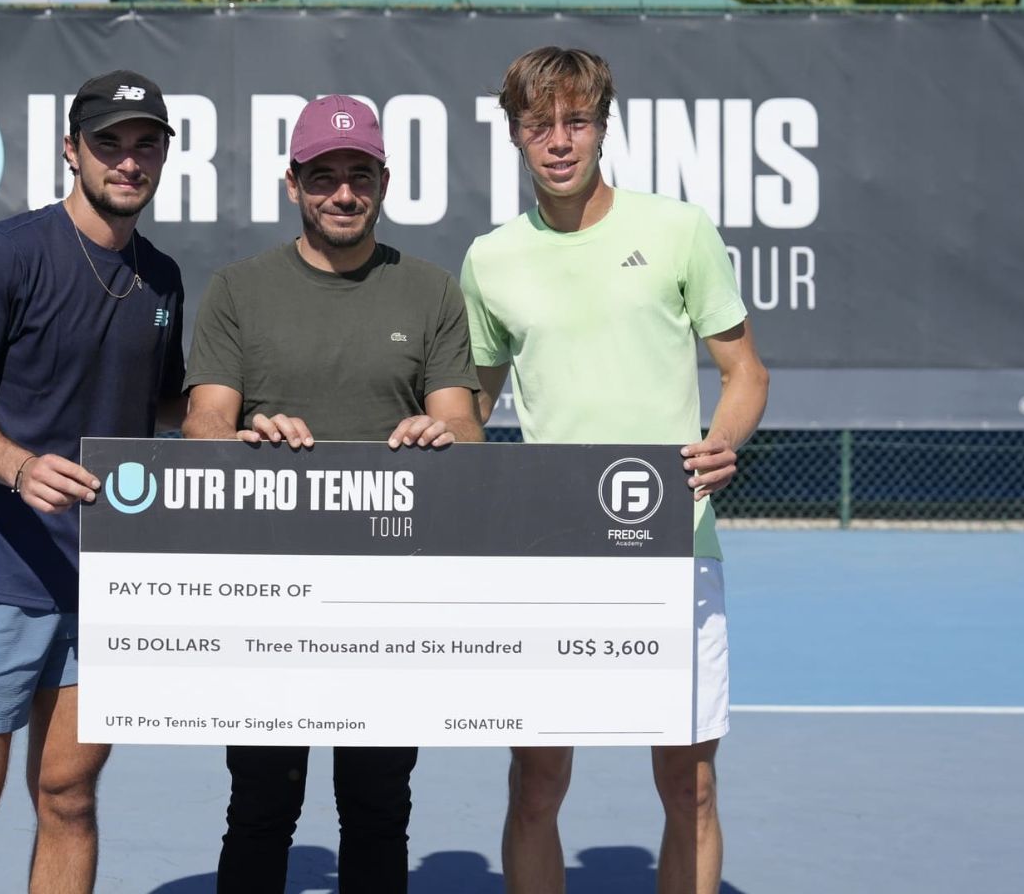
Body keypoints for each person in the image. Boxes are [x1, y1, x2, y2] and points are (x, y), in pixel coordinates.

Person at [459, 47, 769, 894]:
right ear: (516, 134)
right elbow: (471, 403)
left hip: (674, 547)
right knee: (537, 787)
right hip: (550, 557)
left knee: (689, 787)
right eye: (539, 125)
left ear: (602, 125)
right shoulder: (490, 259)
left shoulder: (678, 230)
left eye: (576, 121)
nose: (559, 141)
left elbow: (745, 371)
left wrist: (723, 439)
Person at [182, 95, 484, 893]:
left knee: (379, 808)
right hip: (266, 597)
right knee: (259, 808)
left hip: (390, 599)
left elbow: (466, 426)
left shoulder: (430, 290)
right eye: (323, 177)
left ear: (384, 180)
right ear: (294, 185)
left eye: (358, 175)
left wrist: (438, 432)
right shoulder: (239, 289)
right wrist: (243, 438)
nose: (342, 193)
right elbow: (204, 419)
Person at [0, 70, 187, 894]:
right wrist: (19, 467)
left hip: (105, 582)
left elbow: (164, 400)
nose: (127, 162)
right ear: (71, 150)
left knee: (69, 797)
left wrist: (239, 417)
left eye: (145, 146)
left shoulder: (162, 278)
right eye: (109, 144)